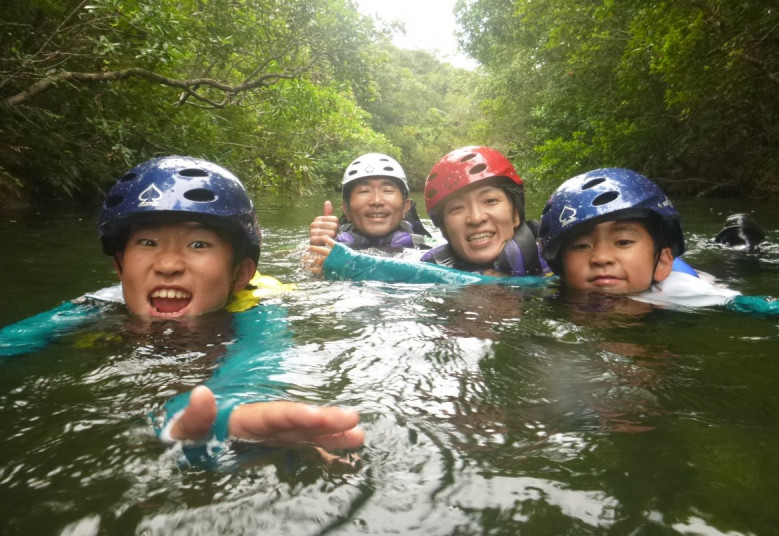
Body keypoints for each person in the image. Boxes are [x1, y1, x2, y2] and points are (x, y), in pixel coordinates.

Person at [3, 156, 364, 453]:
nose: (169, 264)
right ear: (119, 266)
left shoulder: (257, 309)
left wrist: (237, 405)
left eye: (198, 245)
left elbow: (262, 356)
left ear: (240, 274)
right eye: (147, 243)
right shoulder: (93, 307)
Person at [538, 167, 741, 308]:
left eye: (623, 242)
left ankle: (737, 239)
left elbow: (764, 308)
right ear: (561, 266)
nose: (601, 257)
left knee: (737, 258)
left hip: (698, 277)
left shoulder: (692, 294)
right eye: (581, 246)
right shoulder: (547, 292)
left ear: (661, 263)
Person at [420, 146, 548, 276]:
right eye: (457, 208)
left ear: (515, 215)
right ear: (444, 228)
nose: (476, 218)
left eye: (490, 201)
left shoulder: (557, 266)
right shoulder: (428, 274)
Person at [306, 153, 430, 271]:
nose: (376, 201)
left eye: (387, 190)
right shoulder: (334, 246)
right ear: (346, 210)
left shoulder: (429, 255)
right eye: (364, 191)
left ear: (405, 207)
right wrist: (316, 252)